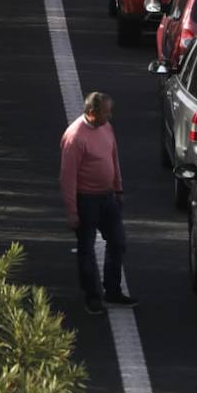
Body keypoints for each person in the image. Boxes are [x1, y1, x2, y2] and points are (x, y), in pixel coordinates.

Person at [59, 92, 136, 315]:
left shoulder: (106, 129)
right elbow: (67, 176)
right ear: (92, 113)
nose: (109, 116)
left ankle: (112, 290)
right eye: (106, 112)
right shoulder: (75, 137)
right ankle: (92, 296)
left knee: (118, 242)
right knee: (87, 249)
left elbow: (113, 158)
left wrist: (118, 187)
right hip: (86, 200)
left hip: (108, 196)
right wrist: (72, 211)